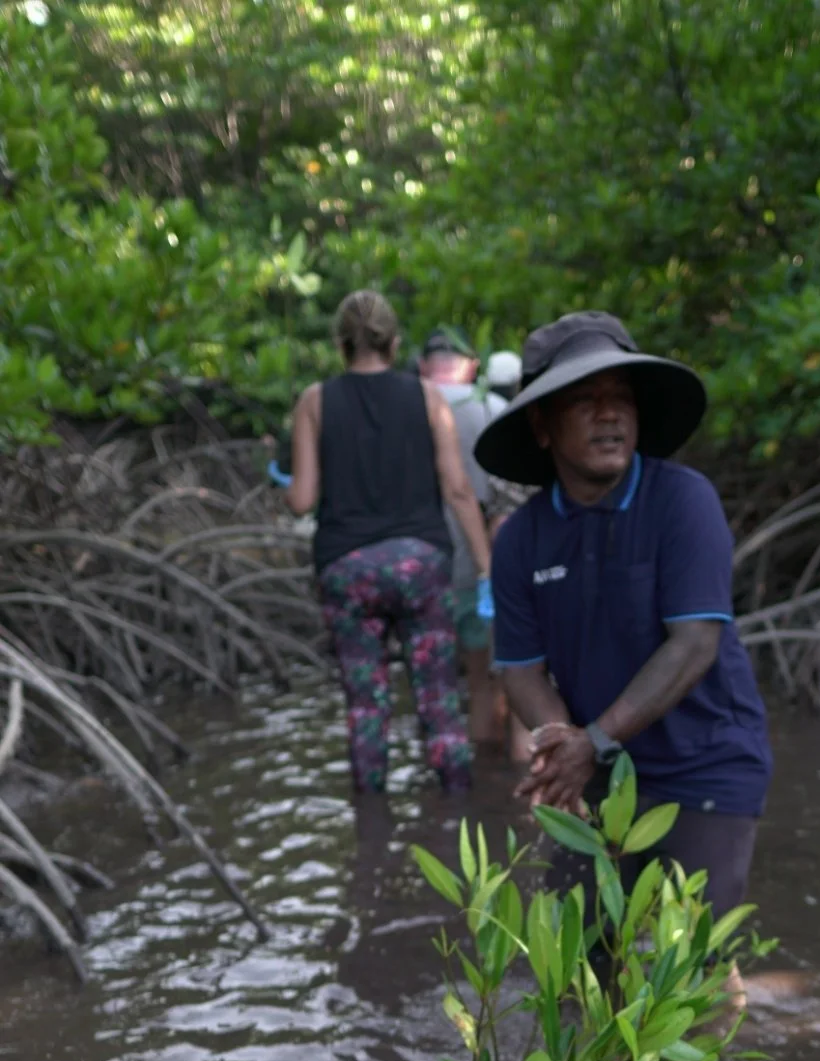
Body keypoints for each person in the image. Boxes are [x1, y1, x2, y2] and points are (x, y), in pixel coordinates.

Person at [475, 311, 772, 923]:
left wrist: (595, 742)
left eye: (620, 398)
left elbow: (693, 646)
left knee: (691, 971)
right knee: (577, 971)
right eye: (585, 400)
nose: (609, 413)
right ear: (541, 426)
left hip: (703, 766)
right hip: (596, 772)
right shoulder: (520, 540)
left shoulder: (683, 501)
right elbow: (521, 669)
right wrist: (562, 748)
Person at [285, 291, 491, 795]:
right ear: (395, 343)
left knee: (366, 707)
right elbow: (459, 489)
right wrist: (486, 567)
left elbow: (302, 500)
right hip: (421, 563)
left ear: (341, 344)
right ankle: (457, 820)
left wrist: (284, 477)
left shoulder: (315, 400)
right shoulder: (427, 397)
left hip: (346, 566)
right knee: (439, 699)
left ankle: (371, 841)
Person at [419, 327, 511, 745]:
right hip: (480, 570)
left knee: (435, 692)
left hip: (418, 571)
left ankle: (447, 791)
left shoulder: (405, 408)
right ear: (472, 366)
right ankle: (493, 791)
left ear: (423, 366)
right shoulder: (494, 409)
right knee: (487, 684)